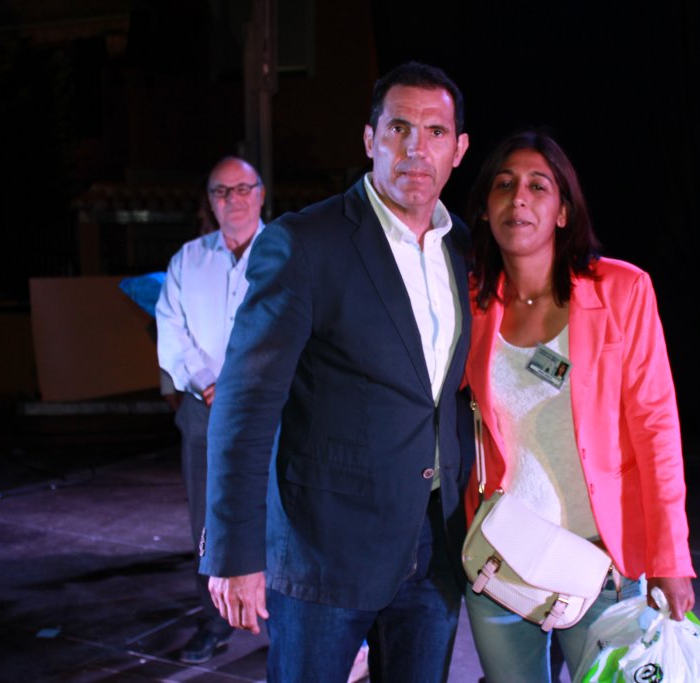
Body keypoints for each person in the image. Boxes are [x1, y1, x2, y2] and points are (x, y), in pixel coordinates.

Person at [200, 62, 472, 683]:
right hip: (323, 551)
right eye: (399, 128)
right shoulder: (305, 242)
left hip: (433, 547)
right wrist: (235, 552)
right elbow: (245, 404)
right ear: (370, 139)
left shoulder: (462, 250)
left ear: (458, 150)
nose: (416, 147)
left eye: (435, 131)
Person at [461, 131, 695, 682]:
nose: (519, 198)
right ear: (486, 209)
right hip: (501, 558)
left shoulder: (622, 290)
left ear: (563, 212)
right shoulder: (470, 301)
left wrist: (670, 558)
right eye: (504, 185)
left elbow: (657, 429)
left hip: (600, 563)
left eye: (538, 186)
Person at [155, 156, 266, 663]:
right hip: (205, 409)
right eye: (222, 191)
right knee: (205, 520)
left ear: (260, 194)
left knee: (280, 515)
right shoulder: (188, 259)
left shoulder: (285, 251)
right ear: (210, 201)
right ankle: (213, 620)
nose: (233, 199)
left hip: (270, 408)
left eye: (242, 189)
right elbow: (172, 328)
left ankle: (285, 620)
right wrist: (208, 383)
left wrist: (246, 385)